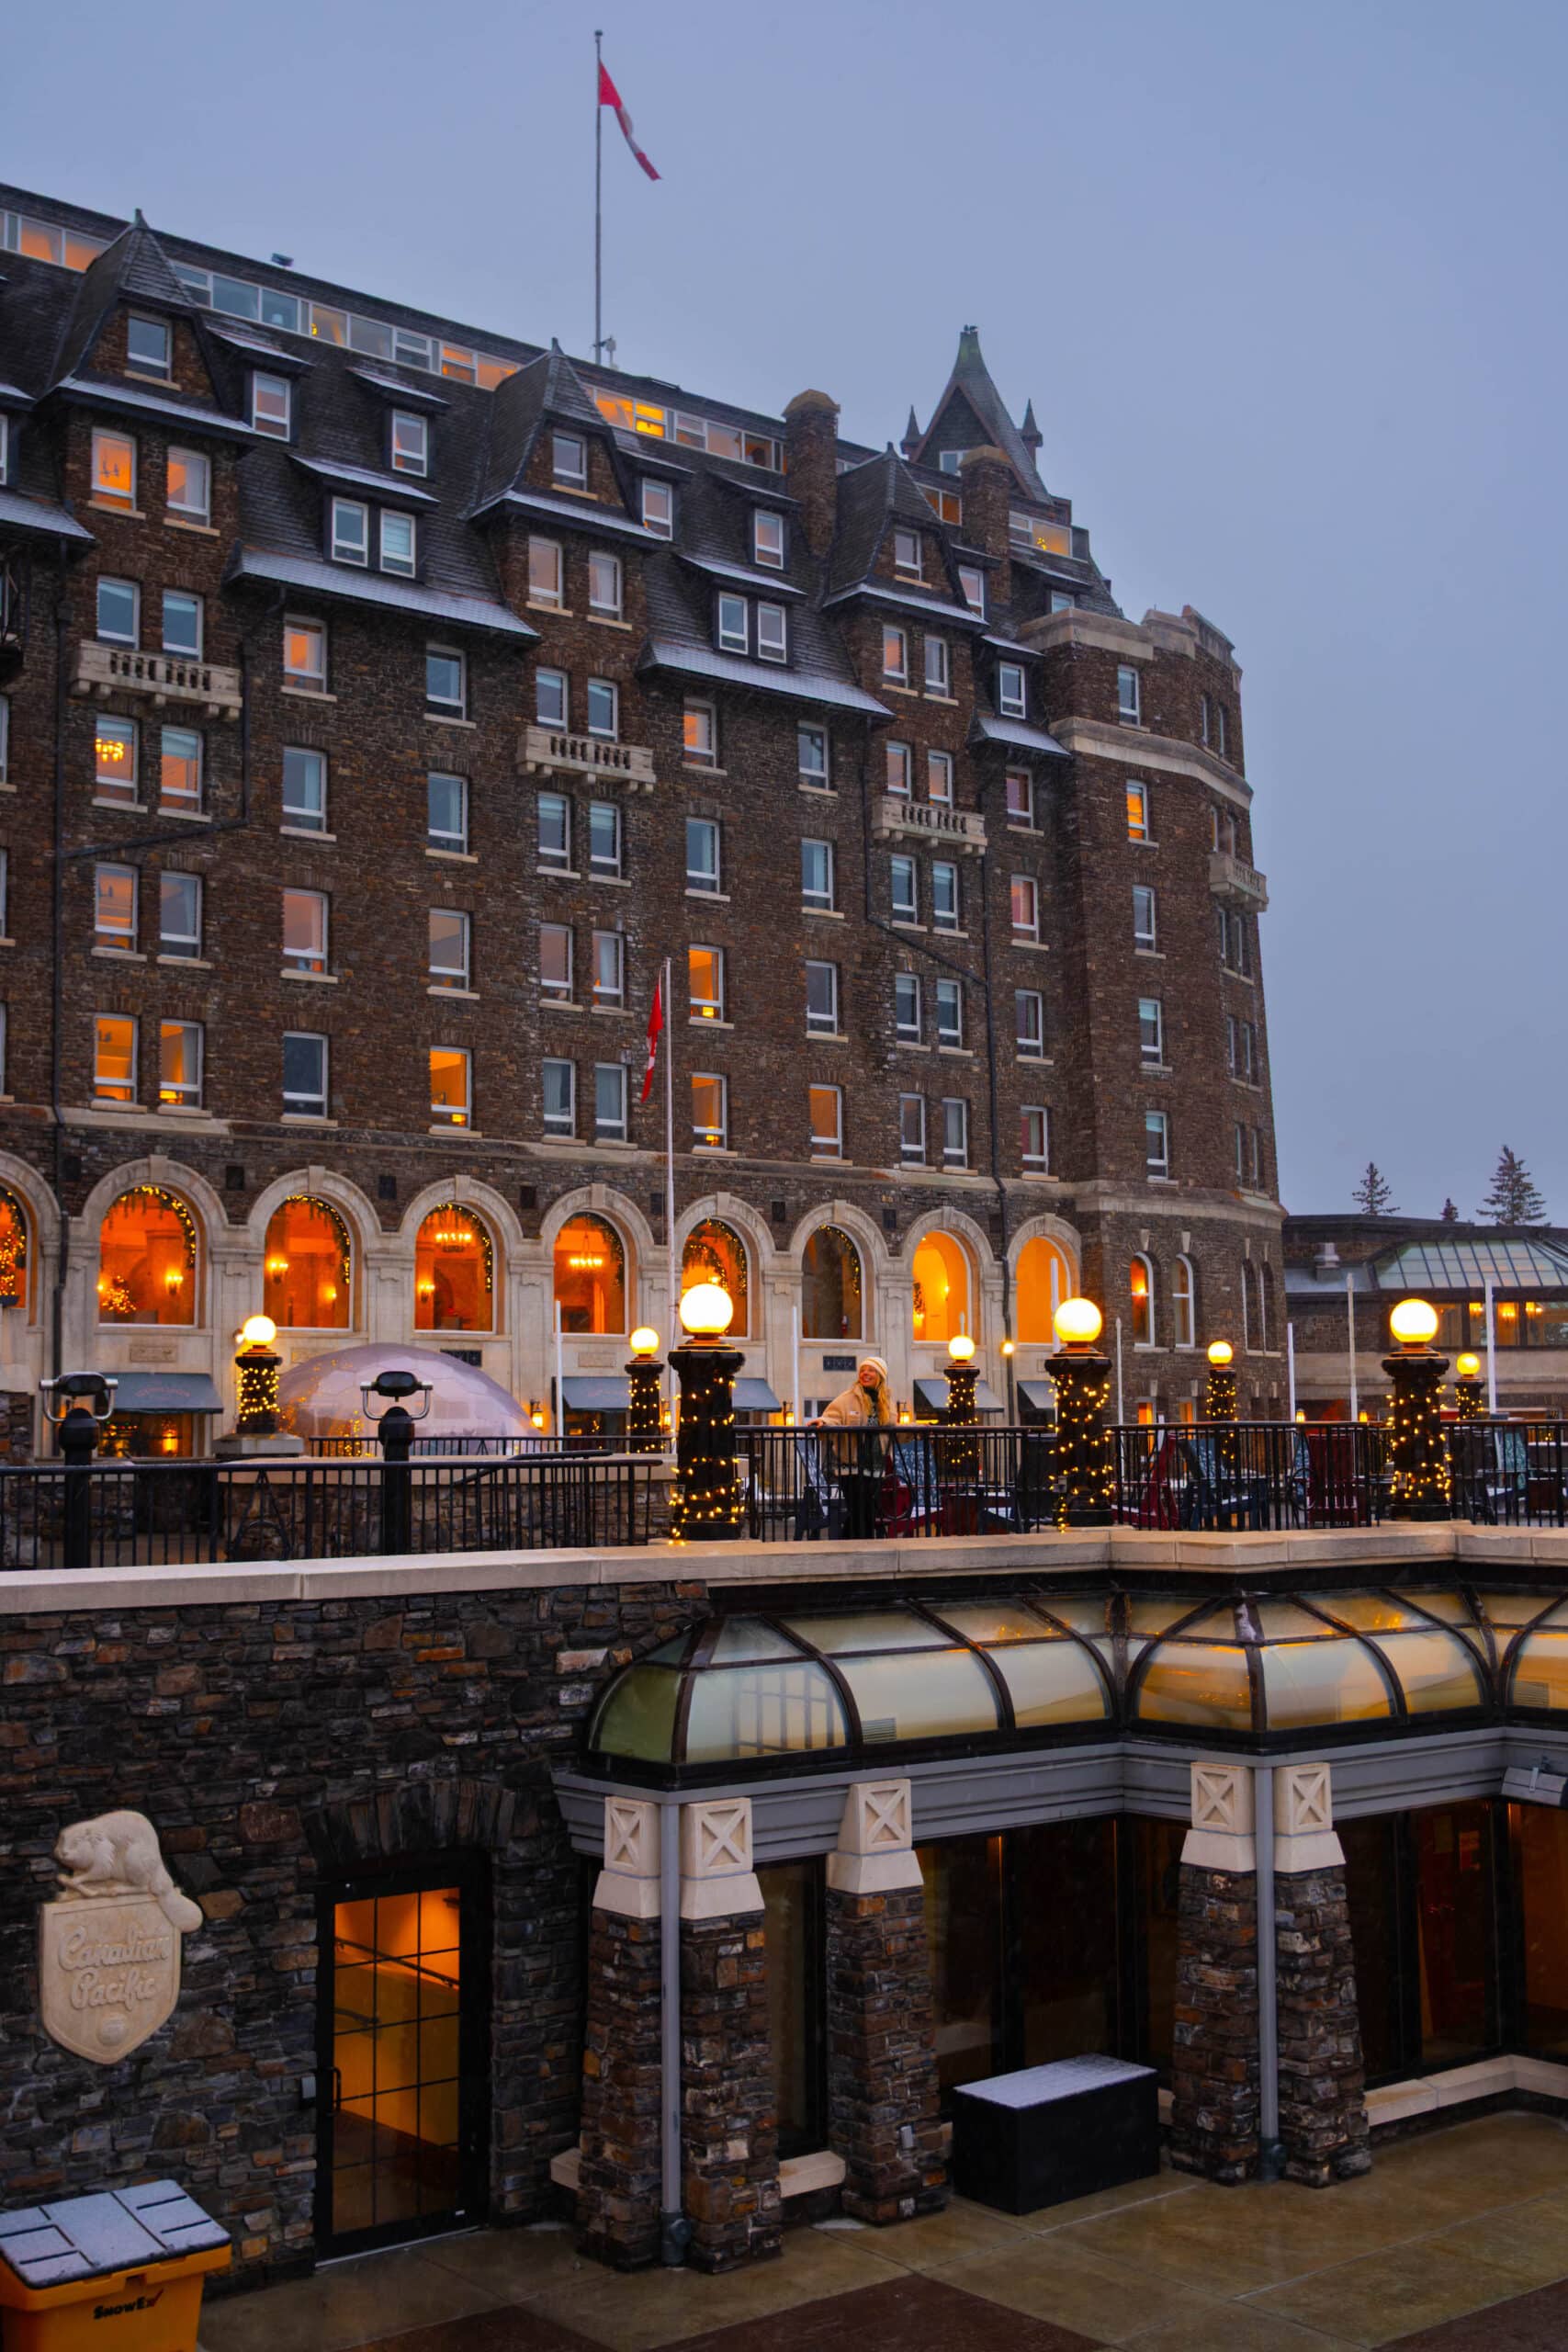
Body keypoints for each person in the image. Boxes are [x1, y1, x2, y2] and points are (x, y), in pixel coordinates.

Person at [814, 1356, 895, 1538]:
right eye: (863, 1370)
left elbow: (893, 1429)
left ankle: (852, 1547)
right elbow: (832, 1417)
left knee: (867, 1514)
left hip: (876, 1468)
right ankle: (861, 1546)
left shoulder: (886, 1402)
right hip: (851, 1469)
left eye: (871, 1370)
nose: (865, 1373)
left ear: (880, 1375)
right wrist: (823, 1422)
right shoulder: (847, 1399)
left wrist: (918, 1431)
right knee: (859, 1512)